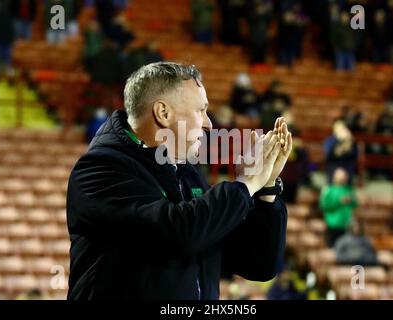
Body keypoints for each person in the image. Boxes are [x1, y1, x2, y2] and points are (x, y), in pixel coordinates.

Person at [67, 62, 293, 299]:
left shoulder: (187, 174)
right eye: (200, 111)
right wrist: (246, 184)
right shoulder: (100, 170)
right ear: (163, 113)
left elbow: (257, 263)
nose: (209, 123)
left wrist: (266, 190)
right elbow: (178, 233)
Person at [320, 167, 358, 247]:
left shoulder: (348, 190)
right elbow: (324, 205)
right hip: (333, 224)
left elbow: (355, 204)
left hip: (346, 225)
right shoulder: (329, 190)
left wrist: (351, 200)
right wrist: (339, 202)